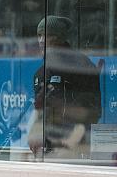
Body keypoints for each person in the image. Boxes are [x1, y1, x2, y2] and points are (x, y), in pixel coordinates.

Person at [28, 16, 102, 159]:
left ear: (60, 38)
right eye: (39, 35)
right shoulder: (40, 74)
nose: (41, 40)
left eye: (47, 35)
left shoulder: (81, 67)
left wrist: (71, 140)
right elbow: (40, 112)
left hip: (76, 151)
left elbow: (92, 113)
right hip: (47, 152)